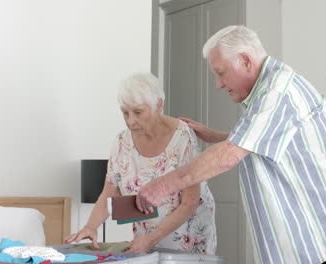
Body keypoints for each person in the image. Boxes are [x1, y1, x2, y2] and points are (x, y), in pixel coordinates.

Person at [135, 25, 326, 263]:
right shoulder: (268, 93)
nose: (218, 84)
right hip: (320, 233)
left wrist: (162, 186)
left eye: (221, 73)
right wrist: (215, 135)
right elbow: (268, 142)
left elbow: (231, 155)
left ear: (245, 60)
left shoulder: (278, 92)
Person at [65, 73, 216, 254]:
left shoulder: (183, 137)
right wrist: (90, 226)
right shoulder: (121, 142)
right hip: (145, 240)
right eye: (125, 113)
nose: (130, 121)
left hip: (188, 238)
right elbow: (109, 193)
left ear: (159, 105)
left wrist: (151, 240)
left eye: (137, 112)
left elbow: (189, 204)